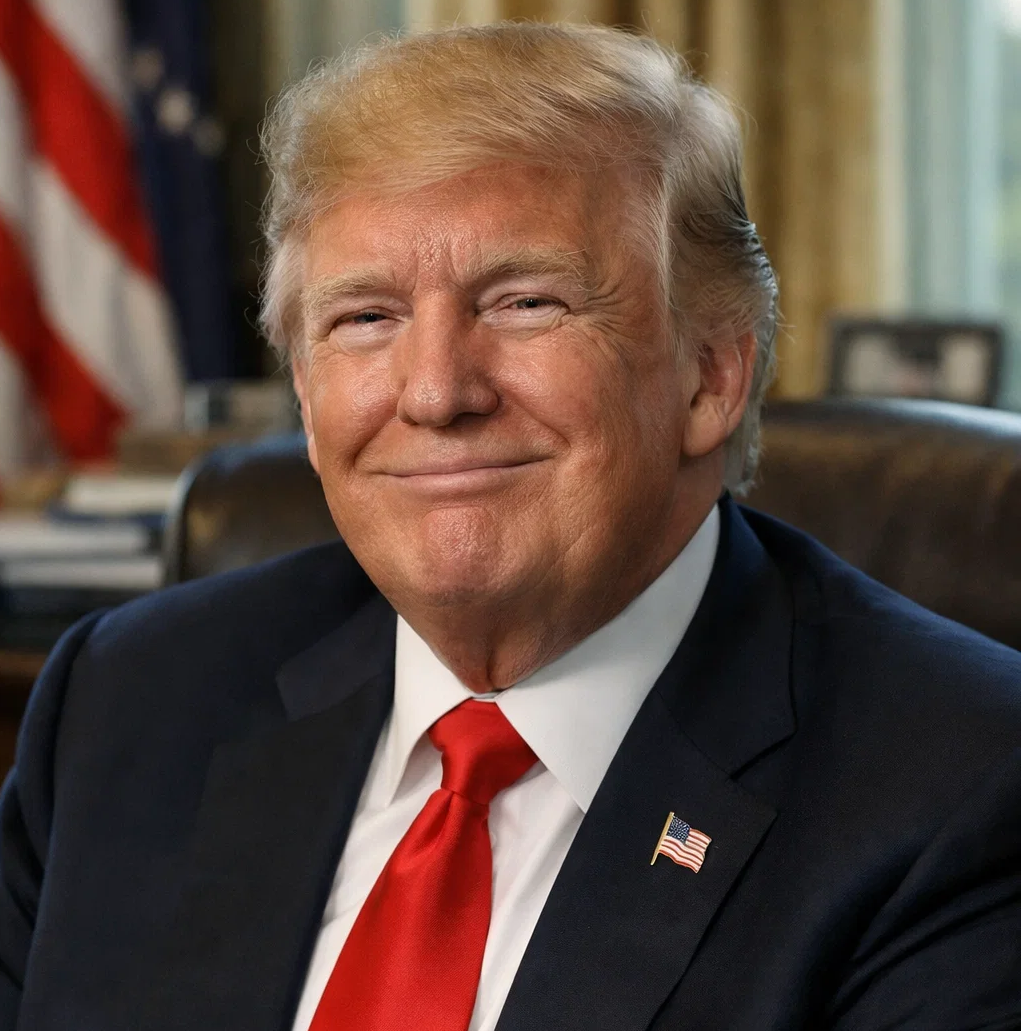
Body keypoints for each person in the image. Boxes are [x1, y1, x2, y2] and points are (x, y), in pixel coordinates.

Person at [1, 21, 1020, 1031]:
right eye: (365, 318)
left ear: (710, 373)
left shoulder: (960, 787)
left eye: (527, 302)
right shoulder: (128, 701)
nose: (438, 391)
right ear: (306, 399)